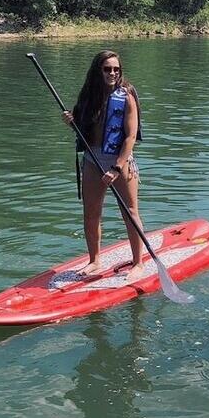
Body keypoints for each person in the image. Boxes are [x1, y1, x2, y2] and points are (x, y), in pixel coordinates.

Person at [62, 50, 145, 282]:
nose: (112, 73)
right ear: (98, 70)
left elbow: (130, 137)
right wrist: (71, 122)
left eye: (116, 69)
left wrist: (117, 167)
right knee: (91, 213)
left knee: (129, 212)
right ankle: (94, 261)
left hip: (120, 161)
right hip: (92, 159)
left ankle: (138, 263)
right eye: (107, 69)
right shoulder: (89, 95)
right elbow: (83, 126)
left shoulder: (127, 95)